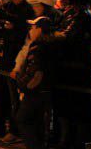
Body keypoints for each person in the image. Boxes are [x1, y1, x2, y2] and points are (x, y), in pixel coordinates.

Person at [0, 0, 35, 143]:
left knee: (14, 98)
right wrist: (4, 25)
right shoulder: (6, 7)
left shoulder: (27, 10)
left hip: (14, 60)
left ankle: (15, 132)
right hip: (0, 58)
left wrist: (11, 27)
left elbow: (22, 31)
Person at [53, 0, 91, 149]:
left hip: (75, 71)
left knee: (74, 114)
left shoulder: (81, 15)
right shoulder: (68, 13)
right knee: (63, 113)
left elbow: (68, 38)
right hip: (64, 69)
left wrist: (48, 36)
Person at [11, 17, 56, 149]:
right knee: (37, 122)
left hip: (35, 91)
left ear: (39, 29)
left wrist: (22, 84)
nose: (30, 30)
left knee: (23, 118)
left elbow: (36, 73)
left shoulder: (38, 46)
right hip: (46, 91)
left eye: (33, 27)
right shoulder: (52, 44)